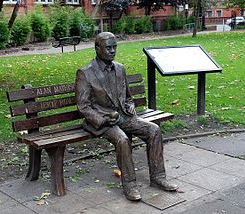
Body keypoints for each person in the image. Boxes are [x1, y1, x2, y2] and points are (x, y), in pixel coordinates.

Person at [75, 32, 178, 201]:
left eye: (115, 47)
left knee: (154, 130)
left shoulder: (120, 68)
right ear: (97, 48)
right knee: (122, 140)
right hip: (102, 121)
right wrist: (103, 119)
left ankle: (158, 178)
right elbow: (83, 107)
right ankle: (130, 185)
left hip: (124, 117)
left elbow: (128, 97)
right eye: (108, 47)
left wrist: (130, 106)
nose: (112, 51)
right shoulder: (86, 73)